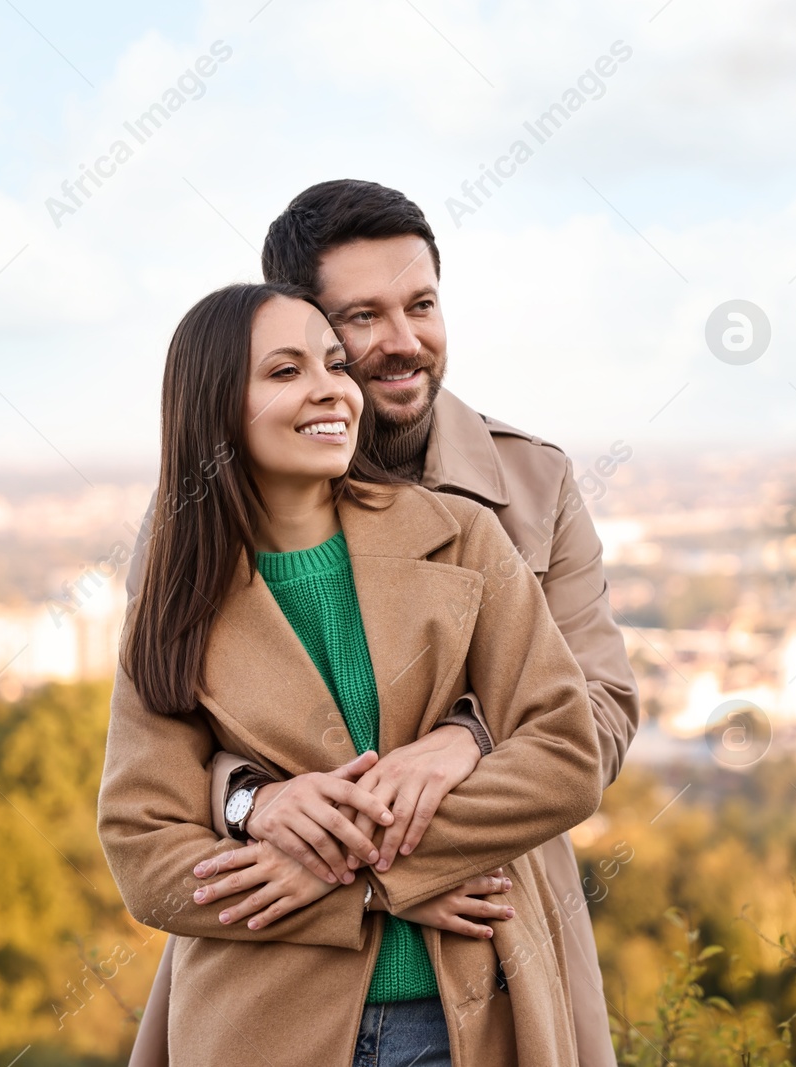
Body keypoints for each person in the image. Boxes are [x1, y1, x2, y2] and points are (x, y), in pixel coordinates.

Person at [125, 181, 639, 1067]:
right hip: (271, 985)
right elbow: (156, 773)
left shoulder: (528, 486)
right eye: (361, 318)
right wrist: (252, 799)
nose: (403, 342)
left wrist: (465, 739)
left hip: (489, 924)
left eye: (423, 305)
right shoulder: (194, 530)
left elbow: (593, 717)